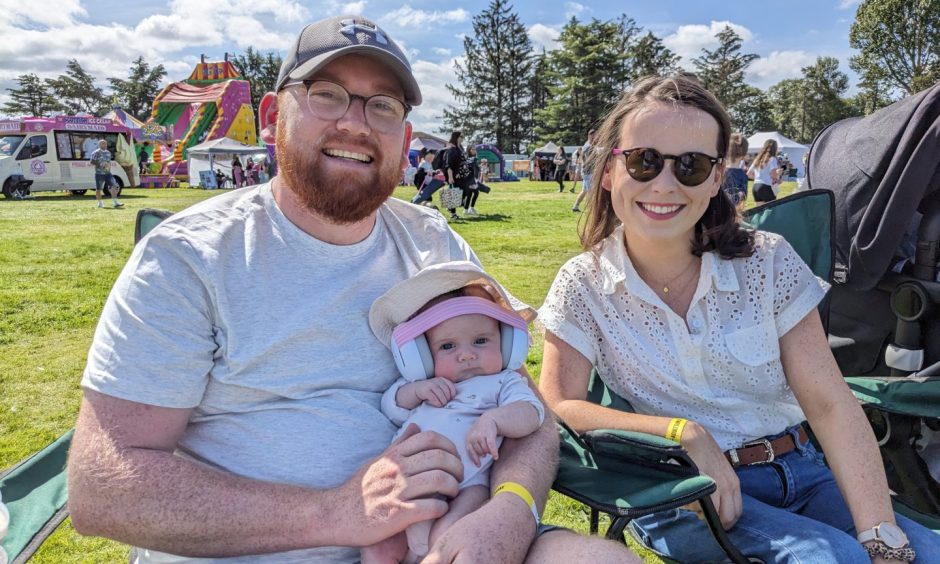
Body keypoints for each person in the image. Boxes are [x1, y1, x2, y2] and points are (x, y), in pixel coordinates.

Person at [66, 14, 637, 564]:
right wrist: (334, 513)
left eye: (382, 106)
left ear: (405, 136)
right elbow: (104, 486)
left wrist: (511, 509)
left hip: (445, 530)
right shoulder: (190, 257)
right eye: (327, 94)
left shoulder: (433, 243)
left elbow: (525, 406)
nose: (356, 124)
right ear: (271, 116)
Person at [537, 74, 940, 563]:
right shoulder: (583, 284)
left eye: (691, 166)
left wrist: (882, 533)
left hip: (804, 469)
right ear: (608, 171)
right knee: (835, 559)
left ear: (714, 179)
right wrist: (681, 432)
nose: (664, 184)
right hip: (683, 487)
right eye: (644, 161)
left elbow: (830, 403)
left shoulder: (767, 261)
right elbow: (558, 404)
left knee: (921, 554)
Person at [363, 261, 544, 563]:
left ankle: (433, 554)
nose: (467, 354)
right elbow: (391, 405)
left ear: (508, 344)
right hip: (412, 479)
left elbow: (531, 412)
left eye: (481, 341)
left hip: (469, 482)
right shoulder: (425, 383)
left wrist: (494, 420)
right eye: (448, 346)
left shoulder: (503, 381)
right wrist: (417, 391)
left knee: (453, 532)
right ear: (421, 357)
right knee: (377, 543)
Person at [443, 131, 472, 221]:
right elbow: (449, 165)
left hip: (464, 175)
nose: (463, 138)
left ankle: (450, 207)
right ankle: (453, 213)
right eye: (461, 136)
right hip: (456, 176)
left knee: (466, 192)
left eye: (463, 137)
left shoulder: (461, 148)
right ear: (456, 137)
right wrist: (450, 177)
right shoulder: (451, 149)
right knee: (454, 193)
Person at [88, 139, 123, 208]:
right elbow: (91, 161)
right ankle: (100, 203)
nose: (105, 145)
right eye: (103, 144)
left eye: (106, 144)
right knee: (99, 189)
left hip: (108, 173)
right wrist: (100, 164)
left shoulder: (108, 152)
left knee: (114, 186)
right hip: (99, 174)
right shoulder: (96, 152)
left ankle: (115, 202)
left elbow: (108, 162)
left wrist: (108, 167)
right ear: (100, 145)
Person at [721, 132, 749, 212]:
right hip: (734, 213)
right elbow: (742, 198)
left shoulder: (719, 172)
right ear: (743, 154)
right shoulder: (742, 175)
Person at [748, 139, 781, 203]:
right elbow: (773, 174)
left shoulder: (758, 159)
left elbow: (749, 173)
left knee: (760, 211)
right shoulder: (772, 159)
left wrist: (759, 178)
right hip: (766, 186)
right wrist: (778, 178)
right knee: (771, 210)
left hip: (755, 187)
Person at [571, 129, 595, 212]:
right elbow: (589, 160)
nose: (597, 137)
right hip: (589, 172)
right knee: (591, 192)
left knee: (584, 190)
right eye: (595, 135)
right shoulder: (589, 146)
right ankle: (592, 210)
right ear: (590, 135)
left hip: (586, 171)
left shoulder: (587, 145)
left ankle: (575, 206)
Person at [462, 145, 480, 216]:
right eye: (472, 149)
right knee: (473, 193)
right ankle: (468, 209)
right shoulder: (469, 158)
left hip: (472, 179)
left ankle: (468, 209)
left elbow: (475, 169)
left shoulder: (473, 159)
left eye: (475, 149)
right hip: (468, 179)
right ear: (469, 150)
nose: (474, 151)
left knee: (473, 194)